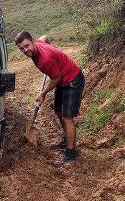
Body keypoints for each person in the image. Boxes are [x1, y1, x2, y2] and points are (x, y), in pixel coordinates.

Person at [15, 31, 85, 164]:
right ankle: (66, 139)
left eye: (27, 46)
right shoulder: (40, 43)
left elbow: (56, 78)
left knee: (67, 117)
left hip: (72, 79)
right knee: (58, 110)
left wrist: (43, 93)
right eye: (21, 48)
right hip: (62, 80)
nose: (25, 50)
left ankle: (71, 153)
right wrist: (53, 52)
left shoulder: (45, 60)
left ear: (32, 41)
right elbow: (45, 37)